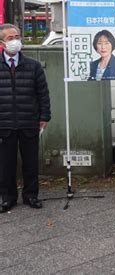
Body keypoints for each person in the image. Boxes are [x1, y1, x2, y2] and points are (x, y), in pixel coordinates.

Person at [0, 24, 51, 212]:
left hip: (29, 121)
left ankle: (31, 195)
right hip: (4, 123)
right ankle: (7, 198)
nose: (15, 41)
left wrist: (44, 115)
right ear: (2, 43)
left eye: (17, 36)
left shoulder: (33, 65)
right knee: (6, 164)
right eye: (10, 38)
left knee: (31, 163)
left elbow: (43, 93)